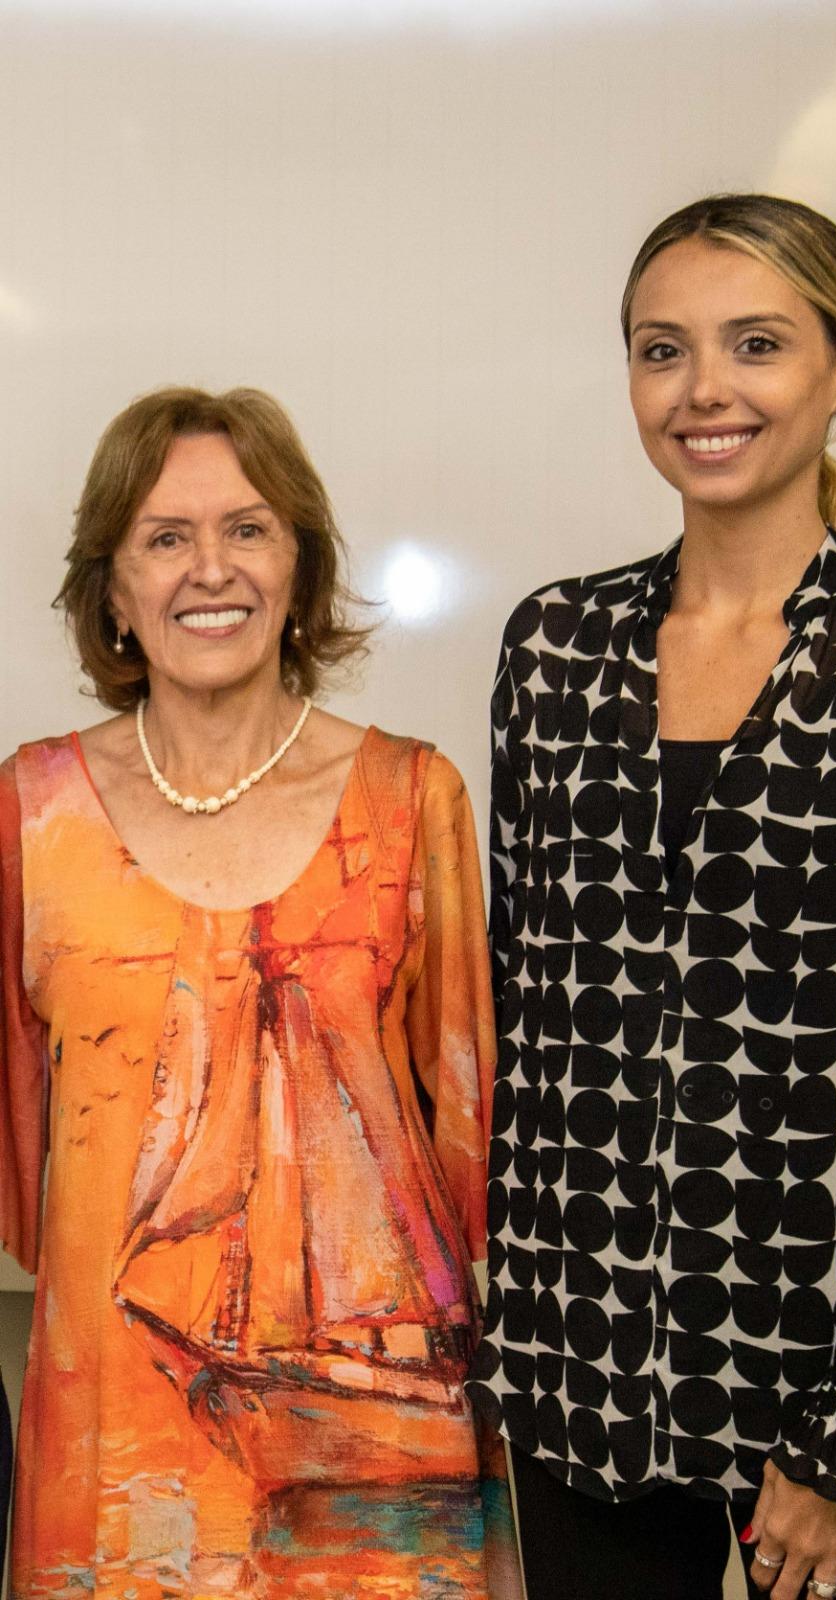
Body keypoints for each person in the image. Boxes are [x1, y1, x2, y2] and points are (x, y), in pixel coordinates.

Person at [467, 194, 836, 1600]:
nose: (704, 390)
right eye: (661, 350)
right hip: (585, 1378)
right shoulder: (555, 647)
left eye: (756, 344)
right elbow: (529, 1025)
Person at [0, 387, 519, 1598]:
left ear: (302, 566)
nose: (209, 569)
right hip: (110, 1455)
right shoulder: (29, 816)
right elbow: (27, 1175)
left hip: (382, 1470)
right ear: (113, 590)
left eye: (248, 527)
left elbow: (467, 1152)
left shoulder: (411, 800)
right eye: (164, 536)